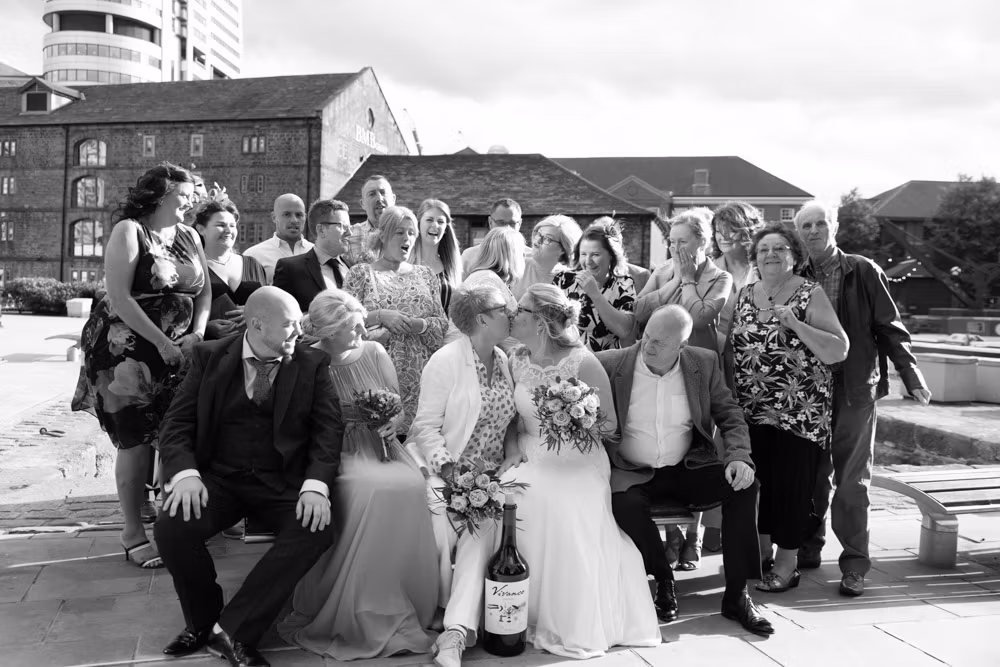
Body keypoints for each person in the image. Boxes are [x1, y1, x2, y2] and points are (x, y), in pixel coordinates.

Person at [153, 287, 342, 667]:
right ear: (257, 325)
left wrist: (315, 487)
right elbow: (177, 422)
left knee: (316, 529)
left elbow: (328, 430)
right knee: (172, 527)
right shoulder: (209, 356)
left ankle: (233, 631)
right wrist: (186, 475)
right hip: (221, 478)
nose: (299, 332)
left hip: (281, 482)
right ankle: (203, 622)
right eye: (289, 325)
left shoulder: (311, 363)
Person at [499, 284, 661, 659]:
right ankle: (511, 609)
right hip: (530, 450)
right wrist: (511, 451)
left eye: (519, 310)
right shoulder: (515, 358)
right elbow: (511, 418)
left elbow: (611, 427)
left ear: (540, 322)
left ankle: (564, 617)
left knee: (560, 505)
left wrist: (578, 417)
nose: (512, 315)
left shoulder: (582, 362)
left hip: (578, 457)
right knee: (509, 492)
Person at [279, 289, 438, 661]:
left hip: (381, 444)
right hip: (336, 451)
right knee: (373, 489)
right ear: (330, 331)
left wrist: (393, 421)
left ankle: (398, 591)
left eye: (363, 323)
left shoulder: (375, 352)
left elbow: (399, 407)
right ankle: (362, 600)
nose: (364, 331)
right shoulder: (307, 361)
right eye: (354, 327)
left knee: (412, 483)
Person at [600, 305, 773, 635]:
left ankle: (738, 595)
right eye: (646, 336)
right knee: (623, 503)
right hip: (632, 470)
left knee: (744, 487)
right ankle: (663, 579)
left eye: (660, 342)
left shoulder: (702, 363)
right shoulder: (611, 364)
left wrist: (739, 456)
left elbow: (730, 413)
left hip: (687, 466)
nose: (648, 346)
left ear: (682, 345)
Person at [72, 162, 208, 569]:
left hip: (180, 351)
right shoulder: (129, 231)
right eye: (184, 196)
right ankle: (132, 532)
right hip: (127, 351)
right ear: (161, 195)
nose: (190, 203)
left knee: (174, 434)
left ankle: (171, 525)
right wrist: (162, 342)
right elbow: (119, 297)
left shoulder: (188, 235)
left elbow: (204, 293)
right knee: (135, 439)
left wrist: (197, 334)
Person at [794, 201, 931, 596]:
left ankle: (854, 563)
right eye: (807, 225)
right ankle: (808, 545)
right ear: (799, 233)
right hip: (809, 393)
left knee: (852, 481)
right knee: (811, 475)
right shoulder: (795, 275)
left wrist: (910, 374)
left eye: (821, 223)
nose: (814, 230)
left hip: (855, 389)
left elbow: (890, 327)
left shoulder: (863, 270)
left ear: (834, 226)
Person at [727, 225, 849, 594]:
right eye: (764, 249)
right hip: (752, 408)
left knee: (791, 488)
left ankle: (787, 564)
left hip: (799, 412)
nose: (771, 254)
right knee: (759, 484)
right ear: (755, 258)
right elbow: (724, 341)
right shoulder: (744, 293)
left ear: (794, 255)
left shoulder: (809, 293)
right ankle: (762, 553)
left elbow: (839, 349)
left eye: (780, 248)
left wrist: (795, 324)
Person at [408, 283, 518, 667]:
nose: (511, 314)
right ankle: (444, 613)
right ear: (483, 319)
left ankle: (454, 633)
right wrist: (452, 473)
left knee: (484, 527)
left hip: (490, 476)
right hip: (445, 466)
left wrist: (507, 459)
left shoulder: (503, 358)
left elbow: (510, 421)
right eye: (503, 310)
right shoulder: (445, 361)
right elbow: (424, 428)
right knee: (443, 516)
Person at [344, 206, 449, 433]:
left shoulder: (426, 275)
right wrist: (381, 316)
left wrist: (419, 325)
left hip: (423, 379)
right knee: (381, 442)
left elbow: (442, 326)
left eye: (411, 233)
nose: (407, 238)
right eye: (399, 232)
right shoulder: (361, 274)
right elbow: (344, 322)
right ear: (382, 236)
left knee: (421, 445)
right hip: (377, 380)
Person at [635, 208, 732, 354]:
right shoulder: (662, 269)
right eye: (672, 242)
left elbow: (698, 319)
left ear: (702, 242)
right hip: (658, 356)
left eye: (683, 242)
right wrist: (675, 281)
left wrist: (687, 279)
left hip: (698, 358)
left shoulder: (721, 277)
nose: (676, 249)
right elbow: (639, 313)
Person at [553, 220, 636, 352]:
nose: (588, 262)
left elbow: (625, 330)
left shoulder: (624, 284)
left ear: (611, 256)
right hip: (567, 357)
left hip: (606, 360)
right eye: (583, 254)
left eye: (595, 255)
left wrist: (595, 294)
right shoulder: (563, 280)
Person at [192, 194, 266, 341]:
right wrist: (205, 327)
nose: (228, 230)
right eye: (220, 225)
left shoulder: (253, 265)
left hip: (252, 346)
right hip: (210, 347)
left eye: (232, 225)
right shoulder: (192, 266)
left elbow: (269, 305)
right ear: (201, 229)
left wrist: (254, 311)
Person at [273, 198, 351, 313]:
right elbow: (281, 315)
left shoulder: (352, 268)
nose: (349, 233)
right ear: (321, 230)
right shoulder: (290, 269)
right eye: (342, 226)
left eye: (349, 227)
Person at [712, 202, 765, 349]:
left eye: (731, 231)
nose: (724, 237)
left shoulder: (765, 269)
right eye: (718, 231)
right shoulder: (707, 271)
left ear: (749, 232)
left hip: (759, 349)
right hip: (717, 350)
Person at [243, 193, 312, 284]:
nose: (294, 220)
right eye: (287, 214)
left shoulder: (318, 253)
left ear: (305, 218)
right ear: (274, 217)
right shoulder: (253, 256)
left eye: (299, 215)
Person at [513, 214, 582, 299]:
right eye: (539, 234)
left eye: (548, 239)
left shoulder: (571, 281)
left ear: (563, 249)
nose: (538, 240)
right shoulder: (516, 266)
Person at [413, 198, 462, 312]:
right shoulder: (405, 263)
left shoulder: (451, 266)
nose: (435, 225)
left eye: (440, 221)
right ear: (418, 224)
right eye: (429, 220)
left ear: (445, 229)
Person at [460, 198, 525, 276]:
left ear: (519, 224)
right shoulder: (470, 256)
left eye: (512, 223)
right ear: (490, 222)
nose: (506, 228)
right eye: (501, 223)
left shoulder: (532, 259)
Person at [345, 175, 395, 267]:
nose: (379, 198)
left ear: (393, 199)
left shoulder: (408, 234)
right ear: (362, 204)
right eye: (372, 194)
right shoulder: (349, 236)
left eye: (383, 192)